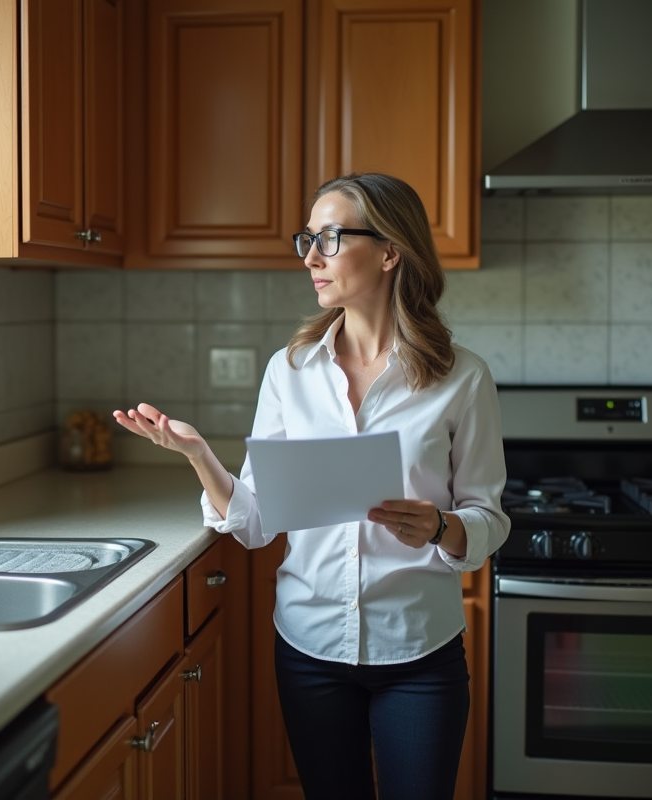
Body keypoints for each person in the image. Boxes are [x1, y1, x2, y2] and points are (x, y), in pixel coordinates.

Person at [113, 172, 510, 800]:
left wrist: (441, 526)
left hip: (419, 651)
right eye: (308, 239)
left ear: (389, 251)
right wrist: (198, 456)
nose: (310, 257)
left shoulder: (462, 377)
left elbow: (489, 518)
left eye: (329, 238)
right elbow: (253, 522)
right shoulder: (290, 370)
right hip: (309, 648)